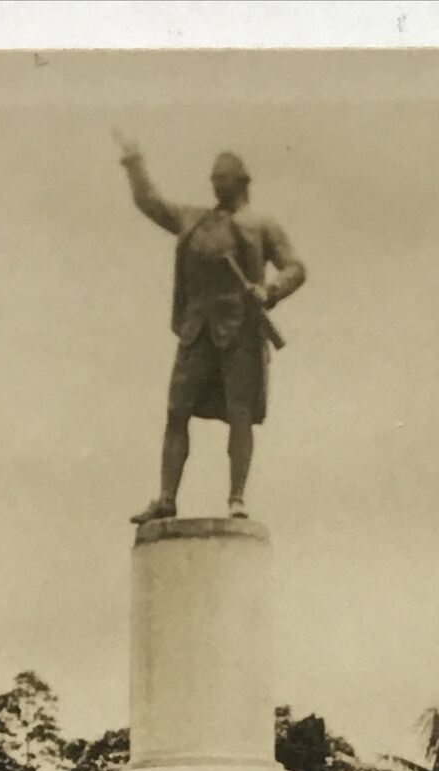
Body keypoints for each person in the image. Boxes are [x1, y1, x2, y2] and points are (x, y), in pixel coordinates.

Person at [115, 133, 306, 523]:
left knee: (239, 413)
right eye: (213, 177)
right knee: (176, 411)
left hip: (241, 331)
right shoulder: (194, 220)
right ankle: (166, 498)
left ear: (242, 182)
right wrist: (134, 160)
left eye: (223, 178)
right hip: (197, 330)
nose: (215, 184)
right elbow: (150, 203)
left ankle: (237, 498)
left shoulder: (261, 225)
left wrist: (268, 291)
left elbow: (295, 268)